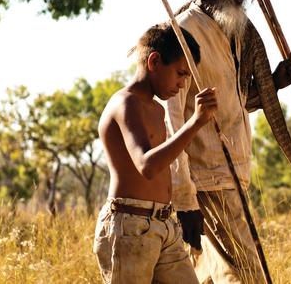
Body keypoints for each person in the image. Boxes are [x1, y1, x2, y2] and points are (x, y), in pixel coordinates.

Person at [164, 0, 291, 284]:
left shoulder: (233, 30)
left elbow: (233, 104)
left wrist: (276, 81)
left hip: (232, 177)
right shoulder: (184, 32)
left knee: (211, 278)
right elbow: (172, 119)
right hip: (205, 181)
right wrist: (184, 201)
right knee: (246, 277)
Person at [93, 23, 218, 284]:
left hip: (164, 223)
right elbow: (146, 165)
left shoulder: (157, 111)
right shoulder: (125, 103)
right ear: (154, 61)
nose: (182, 84)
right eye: (180, 73)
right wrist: (194, 123)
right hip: (129, 226)